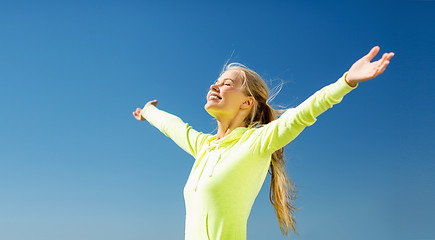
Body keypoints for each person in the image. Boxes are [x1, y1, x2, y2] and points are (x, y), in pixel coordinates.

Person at [133, 46, 394, 240]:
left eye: (226, 84)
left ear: (247, 103)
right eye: (216, 81)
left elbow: (302, 114)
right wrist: (148, 111)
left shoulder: (257, 142)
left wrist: (346, 81)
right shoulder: (204, 147)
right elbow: (174, 126)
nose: (215, 85)